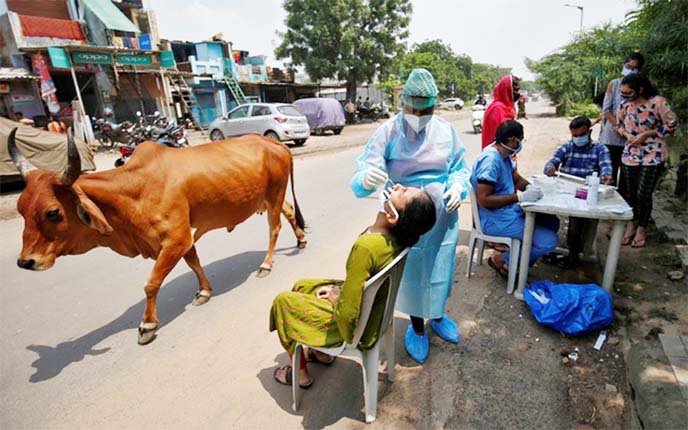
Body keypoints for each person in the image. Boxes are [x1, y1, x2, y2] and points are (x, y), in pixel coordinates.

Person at [349, 68, 471, 364]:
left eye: (424, 109)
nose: (417, 114)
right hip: (404, 216)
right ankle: (417, 327)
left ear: (433, 105)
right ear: (402, 103)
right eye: (411, 108)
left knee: (440, 268)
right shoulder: (388, 132)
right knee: (413, 273)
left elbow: (460, 168)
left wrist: (457, 187)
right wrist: (366, 178)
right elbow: (364, 170)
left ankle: (438, 315)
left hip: (441, 216)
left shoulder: (445, 131)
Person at [270, 184, 436, 388]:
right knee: (303, 286)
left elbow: (348, 316)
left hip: (356, 327)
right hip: (373, 312)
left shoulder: (367, 247)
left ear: (393, 217)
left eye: (402, 192)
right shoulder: (398, 238)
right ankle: (321, 354)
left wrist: (335, 297)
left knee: (282, 302)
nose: (398, 186)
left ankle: (301, 375)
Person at [471, 120, 559, 275]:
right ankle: (501, 260)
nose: (520, 145)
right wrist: (519, 197)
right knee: (549, 241)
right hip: (494, 219)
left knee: (551, 221)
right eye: (520, 140)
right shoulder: (491, 161)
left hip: (507, 212)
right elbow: (483, 200)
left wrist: (531, 187)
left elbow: (516, 179)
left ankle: (516, 261)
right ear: (512, 140)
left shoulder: (504, 155)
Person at [616, 72, 679, 248]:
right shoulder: (624, 105)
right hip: (630, 153)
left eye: (628, 93)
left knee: (644, 193)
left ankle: (642, 228)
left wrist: (647, 134)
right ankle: (631, 224)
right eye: (623, 93)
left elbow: (672, 124)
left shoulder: (657, 102)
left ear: (640, 89)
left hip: (653, 153)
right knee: (630, 192)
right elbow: (619, 125)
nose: (625, 96)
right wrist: (627, 134)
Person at [544, 116, 613, 267]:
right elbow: (552, 161)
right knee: (544, 213)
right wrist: (550, 168)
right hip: (566, 190)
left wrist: (606, 176)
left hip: (586, 192)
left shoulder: (600, 149)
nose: (577, 139)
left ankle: (575, 253)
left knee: (578, 219)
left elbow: (606, 167)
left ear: (589, 132)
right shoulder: (567, 147)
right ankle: (547, 247)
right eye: (574, 136)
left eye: (580, 135)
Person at [600, 52, 645, 185]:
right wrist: (622, 128)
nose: (630, 70)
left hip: (632, 140)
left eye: (634, 68)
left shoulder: (642, 89)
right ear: (623, 65)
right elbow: (606, 111)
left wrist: (630, 133)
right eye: (628, 66)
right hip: (611, 138)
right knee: (609, 176)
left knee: (628, 181)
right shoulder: (613, 84)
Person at [481, 75, 520, 150]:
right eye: (516, 90)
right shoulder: (498, 109)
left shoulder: (505, 107)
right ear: (507, 90)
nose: (518, 93)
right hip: (497, 154)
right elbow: (505, 138)